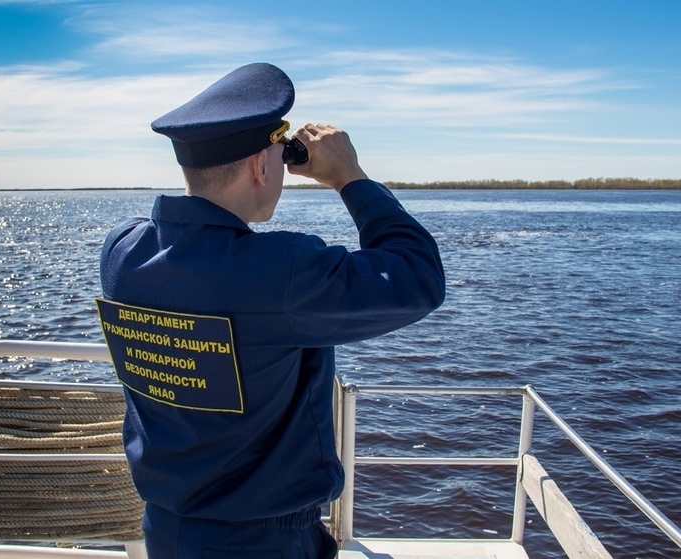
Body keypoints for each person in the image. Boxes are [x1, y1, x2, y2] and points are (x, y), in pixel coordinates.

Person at [97, 62, 445, 559]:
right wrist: (351, 178)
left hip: (167, 529)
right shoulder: (283, 272)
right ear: (262, 166)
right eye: (279, 158)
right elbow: (418, 278)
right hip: (260, 542)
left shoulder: (124, 250)